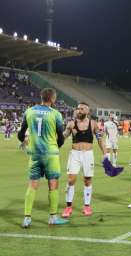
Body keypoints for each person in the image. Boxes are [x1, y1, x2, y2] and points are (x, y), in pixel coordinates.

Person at [18, 88, 68, 228]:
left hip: (34, 154)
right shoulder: (56, 114)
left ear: (41, 97)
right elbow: (61, 137)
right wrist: (56, 147)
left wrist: (24, 141)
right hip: (50, 154)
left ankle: (27, 218)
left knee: (32, 184)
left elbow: (21, 134)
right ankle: (52, 217)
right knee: (53, 185)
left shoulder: (29, 111)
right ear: (52, 99)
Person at [61, 102, 107, 218]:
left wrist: (105, 154)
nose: (79, 110)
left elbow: (100, 139)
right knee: (71, 179)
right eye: (78, 109)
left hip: (88, 154)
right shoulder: (71, 124)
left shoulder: (93, 124)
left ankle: (87, 206)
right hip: (74, 154)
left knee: (87, 180)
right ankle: (68, 207)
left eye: (82, 109)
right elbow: (63, 137)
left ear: (87, 111)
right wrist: (55, 144)